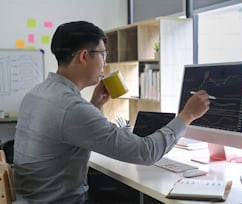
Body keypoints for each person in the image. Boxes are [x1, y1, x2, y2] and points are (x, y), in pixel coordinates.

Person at [13, 21, 211, 204]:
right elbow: (144, 153)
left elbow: (67, 130)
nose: (105, 64)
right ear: (83, 56)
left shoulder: (37, 94)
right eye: (103, 55)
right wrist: (187, 115)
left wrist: (95, 106)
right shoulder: (72, 108)